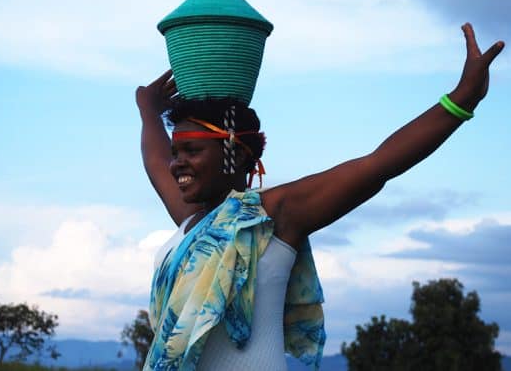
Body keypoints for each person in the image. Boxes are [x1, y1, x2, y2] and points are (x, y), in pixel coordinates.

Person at [136, 24, 504, 371]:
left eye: (191, 151)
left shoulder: (272, 215)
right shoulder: (191, 226)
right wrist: (148, 110)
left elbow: (376, 167)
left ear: (237, 152)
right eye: (176, 152)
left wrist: (461, 101)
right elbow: (156, 161)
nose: (176, 164)